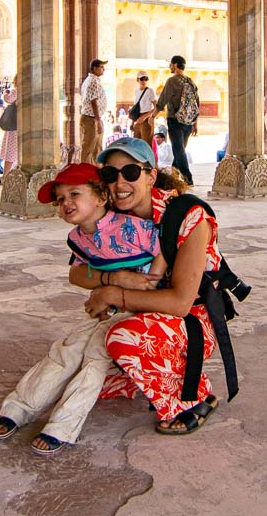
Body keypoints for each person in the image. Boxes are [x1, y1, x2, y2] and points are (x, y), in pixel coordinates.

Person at [0, 162, 167, 456]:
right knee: (68, 348)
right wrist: (111, 281)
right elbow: (78, 274)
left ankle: (62, 426)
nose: (66, 203)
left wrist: (151, 280)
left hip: (142, 308)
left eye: (75, 194)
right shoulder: (78, 239)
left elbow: (166, 247)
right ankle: (18, 408)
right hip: (112, 309)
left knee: (96, 352)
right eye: (60, 199)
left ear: (100, 197)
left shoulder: (131, 227)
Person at [83, 138, 229, 436]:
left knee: (122, 338)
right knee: (80, 367)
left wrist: (114, 294)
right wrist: (111, 280)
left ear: (151, 175)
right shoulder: (114, 218)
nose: (120, 183)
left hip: (192, 320)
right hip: (141, 311)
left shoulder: (189, 216)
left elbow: (180, 303)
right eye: (110, 174)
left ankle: (194, 397)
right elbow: (78, 272)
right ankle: (149, 372)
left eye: (131, 172)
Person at [153, 56, 199, 186]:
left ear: (175, 65)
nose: (170, 66)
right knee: (179, 151)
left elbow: (162, 100)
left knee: (178, 151)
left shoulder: (172, 81)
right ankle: (172, 176)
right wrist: (195, 123)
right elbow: (197, 103)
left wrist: (152, 116)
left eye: (171, 64)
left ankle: (187, 178)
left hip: (175, 121)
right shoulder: (190, 81)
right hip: (188, 122)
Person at [79, 58, 108, 163]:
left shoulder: (93, 80)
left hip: (94, 118)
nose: (103, 69)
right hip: (91, 119)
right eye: (101, 67)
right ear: (95, 68)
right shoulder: (92, 81)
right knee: (88, 148)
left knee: (97, 148)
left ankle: (96, 170)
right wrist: (98, 120)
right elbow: (93, 101)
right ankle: (85, 170)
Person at [0, 79, 18, 185]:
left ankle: (5, 176)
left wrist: (5, 93)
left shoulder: (16, 90)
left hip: (14, 127)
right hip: (20, 124)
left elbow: (8, 99)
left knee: (10, 153)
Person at [129, 71, 157, 146]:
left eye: (146, 79)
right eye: (142, 79)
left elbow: (156, 107)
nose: (144, 81)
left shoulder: (150, 91)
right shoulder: (136, 91)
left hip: (147, 119)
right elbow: (135, 108)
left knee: (146, 143)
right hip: (137, 118)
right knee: (136, 142)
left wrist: (145, 117)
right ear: (137, 80)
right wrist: (132, 122)